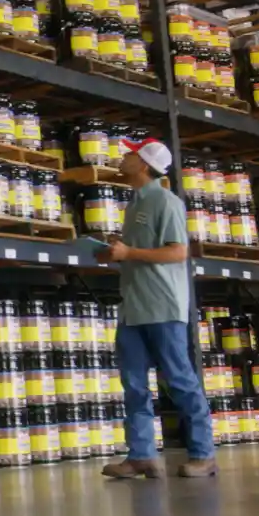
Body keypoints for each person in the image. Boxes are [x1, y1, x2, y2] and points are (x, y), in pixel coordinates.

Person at [94, 138, 217, 479]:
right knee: (133, 385)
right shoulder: (133, 204)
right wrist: (114, 254)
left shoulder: (166, 201)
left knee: (180, 380)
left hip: (162, 306)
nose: (124, 156)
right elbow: (138, 254)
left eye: (131, 153)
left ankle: (204, 454)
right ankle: (142, 455)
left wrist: (129, 253)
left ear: (144, 164)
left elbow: (178, 252)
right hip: (133, 306)